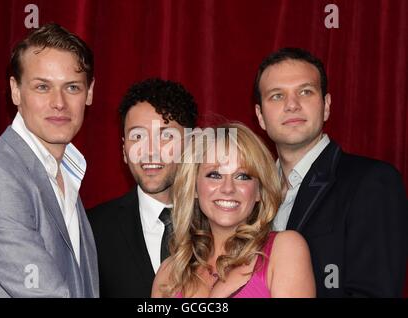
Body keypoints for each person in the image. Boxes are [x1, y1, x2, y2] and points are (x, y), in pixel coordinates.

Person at [0, 23, 98, 297]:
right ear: (15, 90)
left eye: (71, 87)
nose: (59, 102)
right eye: (42, 87)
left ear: (89, 92)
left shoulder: (67, 173)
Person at [254, 47, 408, 297]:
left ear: (326, 105)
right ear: (260, 116)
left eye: (305, 92)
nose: (292, 105)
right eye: (276, 96)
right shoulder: (248, 192)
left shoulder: (373, 182)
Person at [152, 122, 315, 298]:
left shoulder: (284, 250)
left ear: (259, 191)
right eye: (214, 175)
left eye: (242, 176)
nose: (228, 188)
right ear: (194, 187)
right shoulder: (169, 274)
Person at [88, 78, 198, 297]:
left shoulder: (221, 221)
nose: (150, 150)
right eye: (137, 136)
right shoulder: (91, 229)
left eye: (166, 136)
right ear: (124, 150)